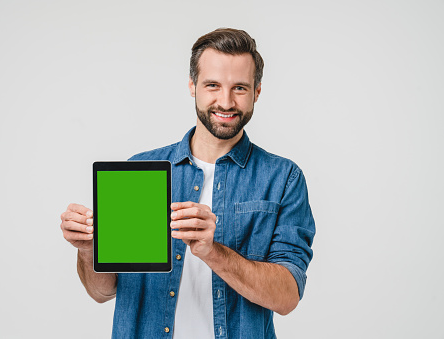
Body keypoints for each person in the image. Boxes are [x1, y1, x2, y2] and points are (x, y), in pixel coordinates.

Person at [60, 28, 315, 338]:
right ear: (193, 86)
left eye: (240, 88)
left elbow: (287, 297)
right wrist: (89, 251)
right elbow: (102, 292)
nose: (226, 101)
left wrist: (212, 251)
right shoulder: (139, 170)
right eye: (212, 85)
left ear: (256, 92)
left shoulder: (283, 178)